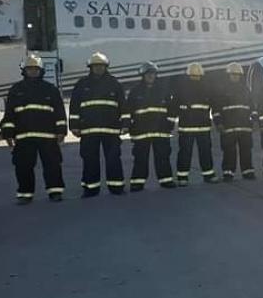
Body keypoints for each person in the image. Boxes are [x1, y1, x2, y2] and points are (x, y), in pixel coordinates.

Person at [0, 54, 67, 202]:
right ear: (24, 71)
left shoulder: (50, 89)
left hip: (48, 136)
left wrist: (61, 131)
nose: (32, 71)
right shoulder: (16, 90)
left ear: (41, 70)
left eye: (35, 69)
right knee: (23, 166)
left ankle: (55, 191)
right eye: (29, 69)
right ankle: (25, 193)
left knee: (52, 164)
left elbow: (59, 112)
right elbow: (10, 113)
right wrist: (8, 132)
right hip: (24, 137)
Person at [70, 51, 126, 196]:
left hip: (111, 130)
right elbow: (74, 106)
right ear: (90, 67)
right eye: (96, 66)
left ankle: (116, 187)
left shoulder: (114, 83)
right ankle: (91, 188)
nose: (99, 68)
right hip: (89, 130)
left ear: (106, 67)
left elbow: (123, 106)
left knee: (113, 159)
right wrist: (74, 125)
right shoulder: (82, 84)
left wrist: (125, 123)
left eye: (101, 66)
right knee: (90, 160)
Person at [124, 61, 175, 191]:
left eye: (153, 73)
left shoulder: (163, 90)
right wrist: (129, 126)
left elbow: (172, 109)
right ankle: (137, 182)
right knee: (140, 158)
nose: (151, 76)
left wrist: (169, 123)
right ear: (143, 75)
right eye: (148, 74)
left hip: (161, 131)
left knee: (163, 157)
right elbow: (128, 110)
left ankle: (166, 180)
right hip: (141, 132)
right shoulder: (135, 91)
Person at [172, 62, 217, 185]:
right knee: (187, 153)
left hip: (196, 127)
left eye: (196, 76)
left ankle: (205, 175)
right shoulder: (187, 89)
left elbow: (214, 105)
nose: (195, 78)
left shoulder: (187, 88)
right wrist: (170, 122)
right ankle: (184, 177)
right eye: (193, 76)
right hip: (192, 127)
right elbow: (174, 106)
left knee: (203, 152)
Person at [215, 62, 258, 180]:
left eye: (237, 74)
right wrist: (218, 123)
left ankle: (247, 171)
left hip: (245, 127)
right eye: (233, 74)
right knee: (229, 151)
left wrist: (254, 120)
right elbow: (216, 109)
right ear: (228, 75)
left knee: (246, 150)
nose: (235, 76)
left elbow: (252, 107)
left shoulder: (246, 90)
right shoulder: (222, 90)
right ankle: (228, 172)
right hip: (228, 127)